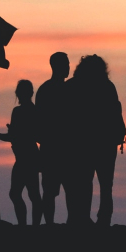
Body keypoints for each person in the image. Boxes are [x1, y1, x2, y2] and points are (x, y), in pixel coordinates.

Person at [66, 54, 126, 226]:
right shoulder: (107, 86)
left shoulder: (72, 86)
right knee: (105, 184)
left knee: (85, 182)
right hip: (103, 142)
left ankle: (85, 217)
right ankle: (102, 218)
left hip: (83, 143)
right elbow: (116, 111)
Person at [0, 80, 41, 226]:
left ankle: (27, 225)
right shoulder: (32, 110)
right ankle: (28, 224)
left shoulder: (20, 112)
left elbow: (14, 136)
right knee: (27, 194)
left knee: (25, 194)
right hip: (27, 156)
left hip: (26, 157)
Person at [35, 52, 72, 224]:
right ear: (56, 66)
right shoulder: (49, 90)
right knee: (51, 191)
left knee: (69, 189)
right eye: (65, 64)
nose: (68, 67)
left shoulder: (49, 89)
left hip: (61, 147)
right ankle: (49, 223)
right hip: (54, 147)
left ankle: (67, 221)